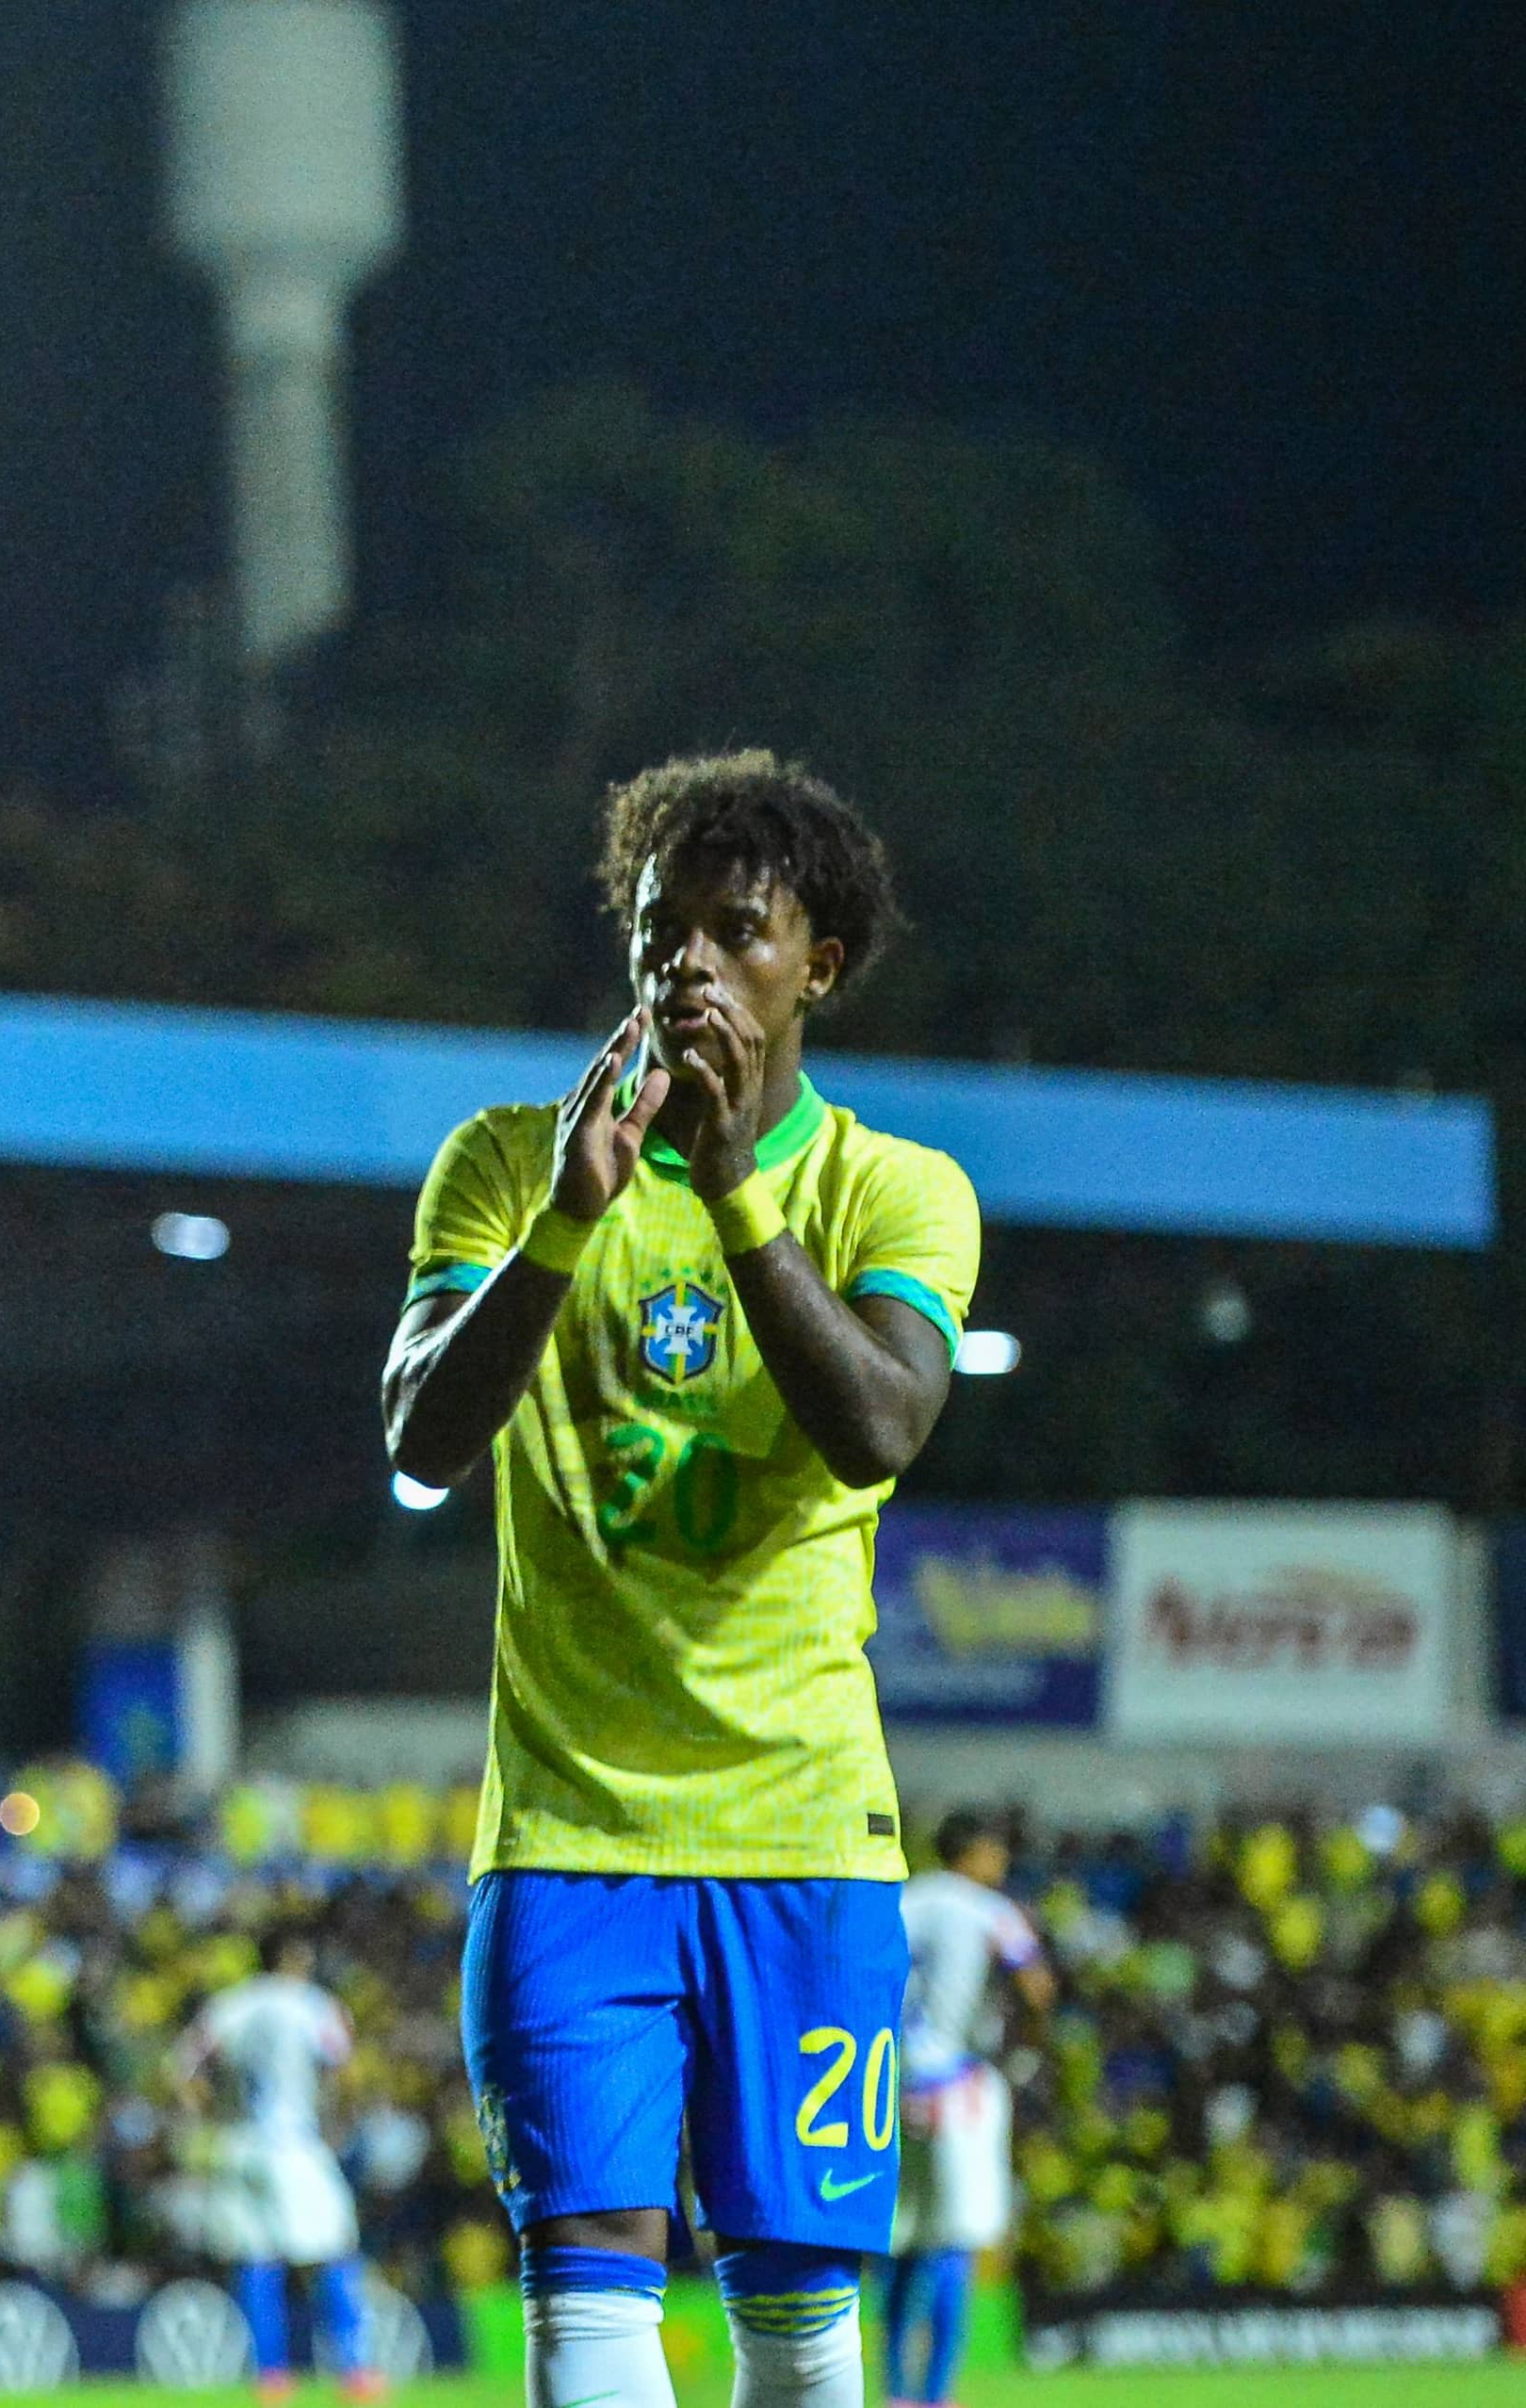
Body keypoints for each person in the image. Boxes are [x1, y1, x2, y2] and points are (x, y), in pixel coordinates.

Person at [382, 752, 982, 2408]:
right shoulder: (510, 1163)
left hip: (804, 1830)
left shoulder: (895, 1190)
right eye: (666, 932)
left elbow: (875, 1425)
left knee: (796, 2325)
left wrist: (729, 1189)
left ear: (822, 965)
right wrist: (565, 1230)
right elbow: (423, 1434)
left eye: (739, 933)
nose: (690, 968)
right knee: (588, 2300)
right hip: (572, 1837)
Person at [882, 1811, 1052, 2408]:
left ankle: (896, 2392)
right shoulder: (989, 1908)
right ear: (978, 1853)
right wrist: (1024, 2050)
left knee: (901, 2241)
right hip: (953, 2087)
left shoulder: (904, 1897)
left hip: (890, 2088)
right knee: (955, 2239)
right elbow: (1036, 1986)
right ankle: (936, 2396)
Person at [178, 1931, 382, 2400]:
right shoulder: (312, 2004)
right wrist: (340, 2125)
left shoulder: (229, 2006)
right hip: (294, 2144)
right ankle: (355, 2370)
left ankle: (271, 2377)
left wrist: (207, 2119)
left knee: (258, 2259)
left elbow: (184, 2072)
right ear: (293, 1958)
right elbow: (345, 2069)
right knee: (335, 2248)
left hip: (238, 2146)